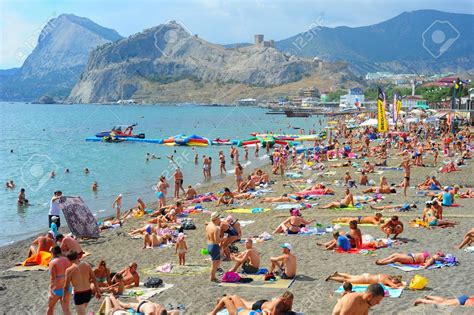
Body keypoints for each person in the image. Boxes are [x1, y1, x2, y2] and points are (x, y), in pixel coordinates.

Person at [63, 251, 101, 315]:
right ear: (77, 257)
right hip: (88, 293)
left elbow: (66, 286)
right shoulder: (86, 265)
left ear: (69, 260)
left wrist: (64, 297)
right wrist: (98, 292)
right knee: (82, 311)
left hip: (79, 294)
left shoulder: (69, 270)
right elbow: (94, 279)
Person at [47, 246, 72, 315]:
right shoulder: (67, 260)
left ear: (53, 253)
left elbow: (53, 279)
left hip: (57, 289)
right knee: (66, 310)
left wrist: (51, 290)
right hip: (67, 288)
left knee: (50, 308)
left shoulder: (52, 263)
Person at [326, 272, 404, 288]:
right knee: (347, 280)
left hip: (366, 275)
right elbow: (394, 286)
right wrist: (400, 284)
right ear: (394, 279)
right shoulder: (386, 279)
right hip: (365, 279)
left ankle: (338, 273)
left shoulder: (387, 275)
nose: (393, 282)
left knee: (351, 276)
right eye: (395, 281)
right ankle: (331, 277)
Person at [375, 251, 446, 267]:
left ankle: (383, 262)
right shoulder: (430, 256)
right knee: (395, 254)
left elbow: (427, 265)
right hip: (411, 256)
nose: (439, 252)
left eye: (440, 253)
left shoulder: (432, 258)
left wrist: (426, 265)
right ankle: (383, 260)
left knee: (396, 258)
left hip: (412, 259)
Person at [206, 212, 222, 282]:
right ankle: (212, 277)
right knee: (214, 264)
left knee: (216, 262)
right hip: (214, 246)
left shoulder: (208, 225)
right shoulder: (216, 228)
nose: (220, 220)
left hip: (209, 245)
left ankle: (213, 276)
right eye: (219, 218)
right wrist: (224, 239)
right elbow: (217, 240)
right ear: (216, 219)